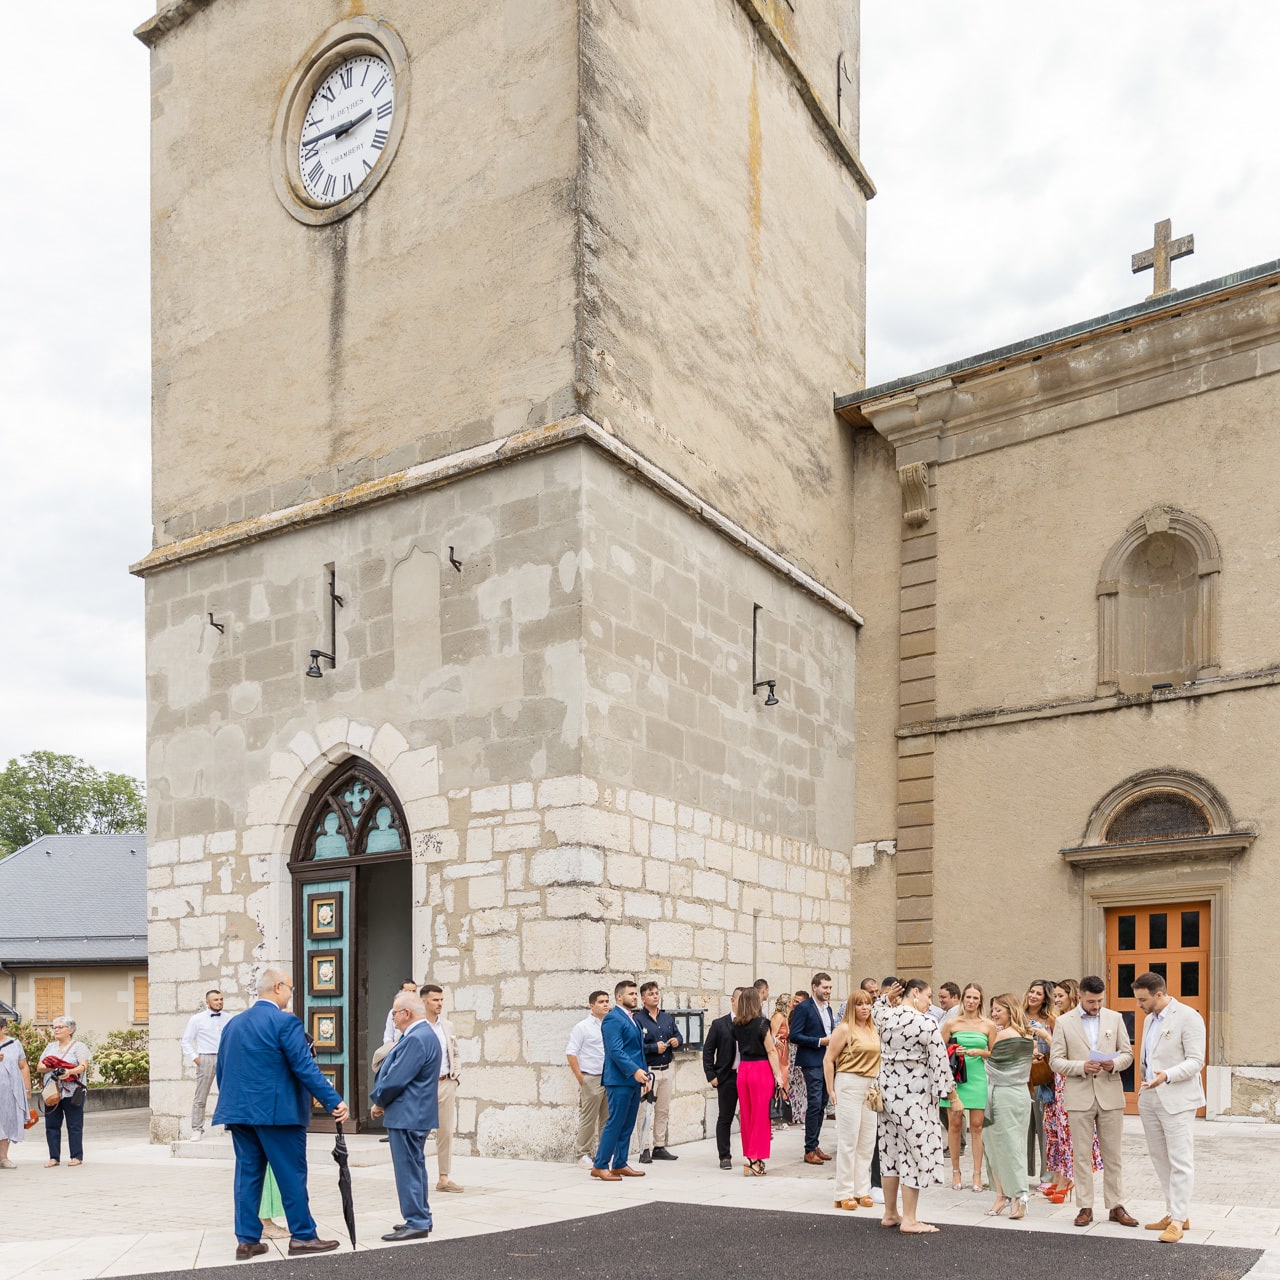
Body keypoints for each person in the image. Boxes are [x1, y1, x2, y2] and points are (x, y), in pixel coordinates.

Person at [212, 967, 348, 1260]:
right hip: (278, 1113)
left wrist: (235, 1106)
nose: (291, 994)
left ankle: (247, 1241)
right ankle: (303, 1236)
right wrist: (332, 1100)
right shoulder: (285, 1023)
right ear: (277, 987)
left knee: (247, 1175)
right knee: (291, 1175)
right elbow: (304, 1066)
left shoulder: (233, 1024)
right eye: (290, 988)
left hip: (240, 1113)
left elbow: (222, 1070)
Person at [1049, 974, 1136, 1229]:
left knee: (1114, 1155)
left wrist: (1113, 1064)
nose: (1096, 1006)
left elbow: (1128, 1054)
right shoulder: (1064, 1022)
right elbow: (1055, 1061)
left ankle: (1116, 1205)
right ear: (1080, 997)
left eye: (1099, 1001)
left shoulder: (1115, 1018)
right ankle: (1085, 1206)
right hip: (1079, 1095)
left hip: (1110, 1094)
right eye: (1091, 1002)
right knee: (1082, 1156)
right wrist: (1082, 1066)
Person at [873, 979, 959, 1234]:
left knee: (889, 1150)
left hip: (887, 1094)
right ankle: (909, 1219)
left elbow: (876, 1011)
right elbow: (940, 1063)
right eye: (928, 996)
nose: (930, 1002)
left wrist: (887, 997)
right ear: (915, 993)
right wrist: (953, 1097)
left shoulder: (886, 1018)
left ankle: (890, 1212)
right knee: (913, 1152)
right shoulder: (925, 1022)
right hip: (915, 1097)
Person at [1133, 971, 1206, 1244]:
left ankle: (1178, 1221)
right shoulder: (1150, 1019)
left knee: (1180, 1160)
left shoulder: (1188, 1017)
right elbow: (1147, 1057)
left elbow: (1196, 1060)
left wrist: (1168, 1075)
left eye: (1143, 1000)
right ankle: (1174, 1211)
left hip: (1177, 1097)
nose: (1139, 1005)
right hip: (1149, 1096)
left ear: (1159, 994)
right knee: (1159, 1158)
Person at [370, 991, 441, 1242]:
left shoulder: (416, 1038)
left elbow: (397, 1078)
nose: (393, 1018)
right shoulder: (424, 1034)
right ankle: (421, 1216)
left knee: (408, 1169)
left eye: (394, 1013)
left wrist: (378, 1101)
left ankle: (417, 1220)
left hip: (408, 1114)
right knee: (415, 1167)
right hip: (415, 1113)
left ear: (406, 1013)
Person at [1043, 979, 1100, 1202]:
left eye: (1060, 996)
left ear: (1073, 995)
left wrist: (1046, 1036)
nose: (1056, 1000)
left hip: (1073, 1078)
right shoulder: (1059, 1019)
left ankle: (1068, 1179)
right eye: (1055, 996)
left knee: (1069, 1130)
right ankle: (1058, 1176)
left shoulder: (1075, 1021)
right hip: (1058, 1079)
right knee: (1055, 1130)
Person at [823, 988, 880, 1209]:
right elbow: (829, 1059)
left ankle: (861, 1189)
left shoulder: (873, 1029)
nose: (865, 1007)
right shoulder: (845, 1029)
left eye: (868, 1003)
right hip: (849, 1083)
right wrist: (831, 1089)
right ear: (851, 1007)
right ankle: (843, 1192)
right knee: (848, 1140)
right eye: (860, 1004)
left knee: (867, 1141)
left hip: (870, 1086)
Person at [982, 994, 1036, 1220]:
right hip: (1019, 1093)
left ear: (1010, 1011)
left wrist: (978, 1056)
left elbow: (994, 1068)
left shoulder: (1004, 1034)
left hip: (1002, 1094)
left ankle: (1019, 1196)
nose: (994, 1014)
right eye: (993, 1010)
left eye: (998, 1010)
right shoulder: (1026, 1035)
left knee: (1004, 1146)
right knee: (1004, 1144)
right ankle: (1003, 1196)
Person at [591, 979, 650, 1181]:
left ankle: (619, 1164)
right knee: (615, 1123)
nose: (635, 997)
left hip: (633, 1079)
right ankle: (600, 1165)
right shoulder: (613, 1018)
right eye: (631, 994)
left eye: (636, 994)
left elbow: (637, 1050)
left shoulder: (632, 1018)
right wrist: (634, 1071)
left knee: (627, 1124)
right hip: (618, 1080)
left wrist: (644, 1075)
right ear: (619, 997)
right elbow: (615, 1050)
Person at [942, 982, 995, 1191]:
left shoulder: (988, 1025)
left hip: (978, 1077)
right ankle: (956, 1173)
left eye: (975, 998)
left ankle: (977, 1174)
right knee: (954, 1125)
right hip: (956, 1078)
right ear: (962, 999)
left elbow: (995, 1053)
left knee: (977, 1126)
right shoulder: (951, 1024)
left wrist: (979, 1053)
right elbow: (939, 1051)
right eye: (968, 997)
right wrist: (954, 1050)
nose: (971, 1001)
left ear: (980, 1000)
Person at [733, 986, 784, 1176]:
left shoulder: (737, 1024)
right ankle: (755, 1158)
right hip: (760, 1069)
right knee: (761, 1116)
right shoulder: (762, 1023)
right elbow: (771, 1050)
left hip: (744, 1070)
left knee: (747, 1115)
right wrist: (778, 1075)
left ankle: (749, 1156)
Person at [789, 972, 837, 1165]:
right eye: (825, 987)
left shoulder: (828, 1009)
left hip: (828, 1061)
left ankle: (815, 1144)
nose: (828, 991)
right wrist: (820, 1041)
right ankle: (809, 1149)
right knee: (815, 1103)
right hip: (811, 1060)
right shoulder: (804, 1008)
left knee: (823, 1103)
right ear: (814, 987)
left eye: (830, 988)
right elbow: (794, 1036)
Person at [420, 984, 463, 1192]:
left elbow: (454, 1051)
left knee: (445, 1131)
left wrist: (455, 1076)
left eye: (441, 1000)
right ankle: (415, 1176)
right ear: (424, 1001)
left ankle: (443, 1178)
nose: (440, 1004)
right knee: (419, 1131)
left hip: (446, 1082)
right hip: (423, 1086)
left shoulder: (447, 1025)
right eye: (435, 1000)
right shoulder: (417, 1026)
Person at [635, 980, 683, 1162]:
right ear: (643, 998)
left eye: (656, 993)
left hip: (666, 1069)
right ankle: (643, 1149)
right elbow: (636, 1046)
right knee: (645, 1111)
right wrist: (654, 1048)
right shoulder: (638, 1020)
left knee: (663, 1109)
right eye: (650, 994)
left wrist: (677, 1041)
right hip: (648, 1071)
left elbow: (678, 1035)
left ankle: (659, 1146)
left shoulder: (667, 1018)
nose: (655, 996)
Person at [566, 990, 610, 1168]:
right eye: (601, 1002)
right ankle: (582, 1154)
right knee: (589, 1118)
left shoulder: (610, 1024)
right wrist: (580, 1078)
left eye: (607, 1001)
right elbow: (571, 1052)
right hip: (591, 1078)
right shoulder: (582, 1027)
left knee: (607, 1119)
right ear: (592, 1006)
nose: (606, 1004)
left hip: (609, 1078)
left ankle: (603, 1154)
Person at [39, 1016, 90, 1167]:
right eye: (55, 1027)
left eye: (60, 1027)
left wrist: (69, 1071)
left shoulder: (79, 1046)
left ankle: (76, 1156)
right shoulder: (50, 1047)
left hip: (72, 1091)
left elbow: (83, 1066)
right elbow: (40, 1067)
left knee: (74, 1124)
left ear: (71, 1030)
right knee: (51, 1125)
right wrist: (56, 1068)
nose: (56, 1030)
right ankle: (54, 1157)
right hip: (52, 1091)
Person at [181, 989, 231, 1141]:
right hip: (206, 1058)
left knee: (229, 1094)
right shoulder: (197, 1019)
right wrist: (196, 1058)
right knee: (201, 1096)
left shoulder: (229, 1018)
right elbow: (186, 1041)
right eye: (216, 1000)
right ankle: (196, 1129)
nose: (219, 1002)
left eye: (221, 999)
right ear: (207, 1002)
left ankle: (231, 1126)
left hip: (225, 1058)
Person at [703, 987, 744, 1170]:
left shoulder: (750, 1024)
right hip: (726, 1077)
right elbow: (708, 1051)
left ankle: (751, 1154)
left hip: (746, 1076)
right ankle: (724, 1156)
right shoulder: (719, 1024)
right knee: (725, 1117)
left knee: (748, 1117)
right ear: (733, 1001)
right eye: (740, 1000)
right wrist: (712, 1075)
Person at [1023, 979, 1056, 1190]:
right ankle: (1022, 1174)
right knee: (1023, 1128)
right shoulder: (1018, 1015)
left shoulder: (1051, 1019)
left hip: (1042, 1078)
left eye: (1039, 993)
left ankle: (1047, 1177)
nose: (1033, 996)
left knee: (1044, 1129)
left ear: (1045, 998)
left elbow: (1058, 1047)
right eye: (1031, 991)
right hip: (1020, 1077)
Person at [0, 1014, 33, 1167]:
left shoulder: (14, 1043)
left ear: (4, 1028)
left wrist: (27, 1089)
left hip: (9, 1091)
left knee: (7, 1121)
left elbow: (23, 1066)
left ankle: (3, 1157)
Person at [787, 991, 809, 1134]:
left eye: (798, 1002)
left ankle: (803, 1114)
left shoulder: (806, 1015)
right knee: (793, 1083)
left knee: (803, 1083)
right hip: (790, 1051)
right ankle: (795, 1114)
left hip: (800, 1050)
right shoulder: (791, 1015)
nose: (795, 1004)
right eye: (794, 1001)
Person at [769, 994, 792, 1129]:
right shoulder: (778, 1016)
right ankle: (775, 1114)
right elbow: (771, 1035)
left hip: (784, 1051)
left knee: (784, 1080)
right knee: (778, 1080)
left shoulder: (785, 1017)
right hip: (778, 1051)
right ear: (787, 1003)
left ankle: (781, 1114)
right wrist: (776, 1042)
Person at [383, 980, 419, 1044]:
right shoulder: (393, 1012)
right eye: (407, 991)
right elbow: (388, 1036)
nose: (411, 994)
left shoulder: (420, 1012)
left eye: (413, 991)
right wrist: (391, 1048)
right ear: (400, 992)